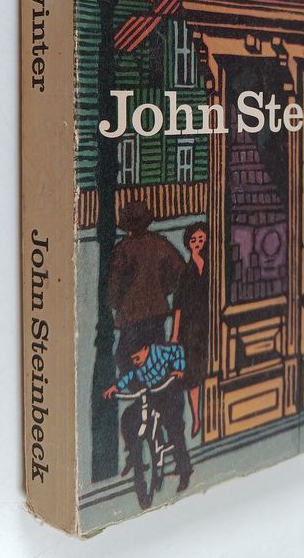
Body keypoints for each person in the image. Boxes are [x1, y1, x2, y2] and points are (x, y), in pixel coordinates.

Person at [103, 335, 193, 504]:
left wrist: (178, 369)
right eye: (133, 359)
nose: (136, 362)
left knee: (174, 429)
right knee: (131, 417)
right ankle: (138, 454)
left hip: (169, 391)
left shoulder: (160, 352)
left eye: (138, 358)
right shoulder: (137, 365)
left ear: (146, 349)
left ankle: (184, 469)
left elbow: (177, 350)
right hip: (153, 395)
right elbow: (129, 376)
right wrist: (116, 387)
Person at [109, 200, 185, 374]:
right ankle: (155, 386)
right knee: (156, 353)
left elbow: (114, 285)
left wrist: (117, 303)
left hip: (132, 313)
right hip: (157, 310)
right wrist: (163, 290)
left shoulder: (123, 248)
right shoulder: (160, 243)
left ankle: (137, 387)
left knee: (125, 357)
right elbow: (180, 270)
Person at [171, 221, 208, 438]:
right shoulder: (186, 272)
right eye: (194, 240)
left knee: (207, 370)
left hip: (208, 325)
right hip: (190, 330)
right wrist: (175, 336)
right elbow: (178, 307)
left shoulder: (212, 266)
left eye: (201, 239)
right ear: (188, 243)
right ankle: (196, 417)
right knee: (192, 375)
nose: (197, 243)